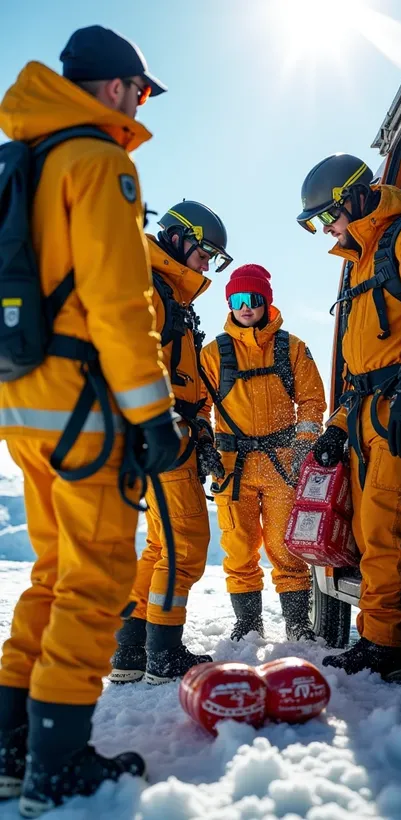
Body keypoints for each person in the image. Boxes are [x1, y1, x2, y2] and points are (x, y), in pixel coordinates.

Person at [0, 25, 181, 815]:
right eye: (141, 91)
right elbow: (118, 305)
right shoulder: (101, 163)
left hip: (22, 404)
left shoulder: (23, 160)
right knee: (99, 575)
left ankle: (11, 747)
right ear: (115, 87)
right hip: (83, 406)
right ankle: (58, 764)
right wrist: (154, 412)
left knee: (52, 572)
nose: (141, 105)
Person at [297, 153, 401, 682]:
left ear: (353, 198)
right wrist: (334, 429)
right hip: (362, 414)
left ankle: (382, 650)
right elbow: (356, 363)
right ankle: (372, 638)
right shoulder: (358, 259)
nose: (325, 229)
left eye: (326, 216)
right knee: (361, 528)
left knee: (384, 528)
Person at [110, 200, 232, 685]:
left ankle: (130, 651)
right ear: (180, 240)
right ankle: (163, 652)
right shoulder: (151, 287)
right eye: (206, 254)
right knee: (186, 545)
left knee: (160, 545)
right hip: (162, 432)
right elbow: (134, 359)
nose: (208, 265)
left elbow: (183, 376)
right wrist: (163, 424)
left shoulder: (169, 292)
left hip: (170, 431)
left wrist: (199, 425)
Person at [200, 264, 326, 641]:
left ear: (266, 302)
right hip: (232, 468)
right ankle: (248, 623)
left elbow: (311, 400)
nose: (245, 307)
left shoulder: (292, 348)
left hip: (282, 465)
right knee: (238, 548)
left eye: (252, 299)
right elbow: (198, 406)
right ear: (229, 303)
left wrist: (305, 443)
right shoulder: (212, 354)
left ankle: (297, 623)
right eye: (237, 299)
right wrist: (204, 444)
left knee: (286, 549)